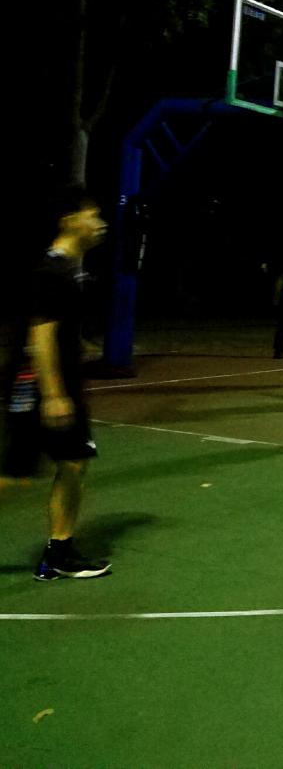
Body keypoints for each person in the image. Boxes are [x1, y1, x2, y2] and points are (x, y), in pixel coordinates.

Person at [11, 190, 113, 580]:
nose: (100, 223)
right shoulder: (52, 272)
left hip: (41, 383)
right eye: (93, 215)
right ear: (69, 221)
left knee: (28, 469)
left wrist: (80, 345)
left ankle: (58, 552)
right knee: (70, 463)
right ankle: (59, 553)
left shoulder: (69, 269)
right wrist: (54, 394)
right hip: (50, 385)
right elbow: (41, 335)